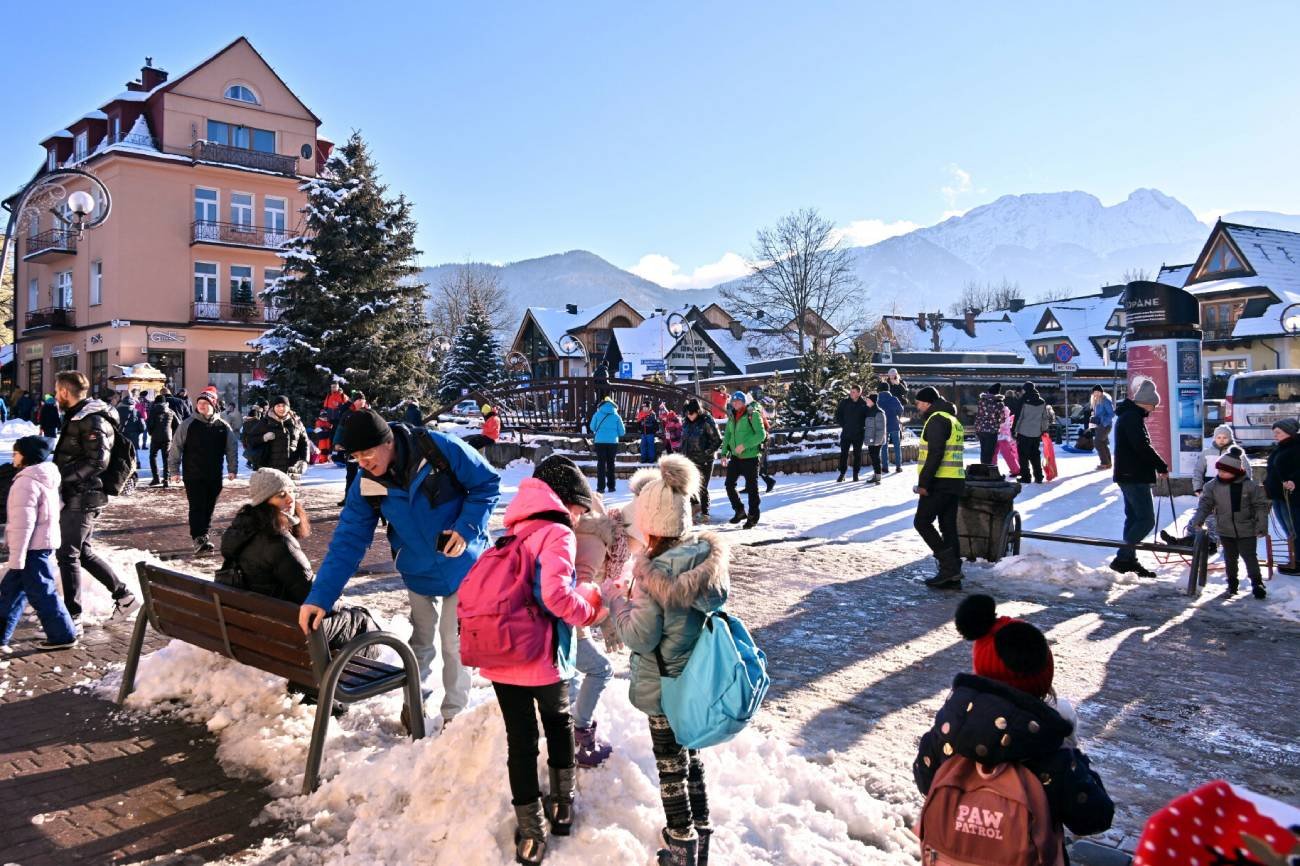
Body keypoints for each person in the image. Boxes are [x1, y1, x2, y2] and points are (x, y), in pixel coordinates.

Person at [299, 409, 501, 731]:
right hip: (417, 569)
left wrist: (466, 527)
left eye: (367, 454)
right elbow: (348, 541)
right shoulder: (366, 482)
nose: (363, 463)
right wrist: (320, 597)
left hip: (463, 565)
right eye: (356, 457)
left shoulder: (437, 448)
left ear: (388, 441)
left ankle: (454, 717)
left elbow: (487, 483)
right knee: (421, 641)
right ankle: (414, 708)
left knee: (453, 642)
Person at [914, 595, 1114, 863]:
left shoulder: (947, 733)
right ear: (1042, 683)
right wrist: (1077, 760)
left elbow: (925, 781)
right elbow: (1094, 817)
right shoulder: (1049, 752)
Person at [472, 459, 603, 865]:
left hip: (500, 653)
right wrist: (592, 611)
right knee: (558, 724)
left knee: (521, 742)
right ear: (565, 501)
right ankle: (562, 807)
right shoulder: (558, 532)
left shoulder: (512, 532)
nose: (580, 517)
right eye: (579, 508)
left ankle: (531, 833)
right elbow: (556, 599)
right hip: (541, 655)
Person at [608, 454, 728, 866]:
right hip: (694, 683)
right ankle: (702, 834)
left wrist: (616, 605)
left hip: (662, 685)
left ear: (651, 525)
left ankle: (681, 846)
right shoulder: (704, 563)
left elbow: (641, 635)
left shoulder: (651, 575)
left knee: (670, 769)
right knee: (692, 760)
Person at [220, 468, 379, 661]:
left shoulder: (241, 534)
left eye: (291, 491)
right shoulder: (278, 542)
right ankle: (364, 677)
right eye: (280, 495)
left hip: (253, 626)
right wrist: (345, 606)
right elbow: (310, 595)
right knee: (361, 621)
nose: (290, 499)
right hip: (286, 633)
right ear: (264, 502)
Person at [51, 372, 136, 621]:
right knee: (81, 552)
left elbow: (98, 460)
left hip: (84, 496)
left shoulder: (91, 419)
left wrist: (61, 477)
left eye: (57, 391)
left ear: (65, 392)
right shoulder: (79, 417)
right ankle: (124, 597)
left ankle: (72, 617)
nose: (56, 396)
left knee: (68, 555)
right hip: (80, 494)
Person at [571, 482, 631, 768]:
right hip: (566, 625)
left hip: (562, 623)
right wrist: (605, 618)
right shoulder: (595, 542)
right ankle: (581, 735)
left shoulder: (581, 532)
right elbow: (579, 593)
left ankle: (570, 726)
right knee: (601, 670)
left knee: (571, 675)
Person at [1, 437, 79, 650]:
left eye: (16, 453)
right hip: (39, 545)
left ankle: (63, 635)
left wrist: (17, 557)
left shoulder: (26, 482)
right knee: (10, 591)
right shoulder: (45, 477)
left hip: (31, 548)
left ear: (26, 456)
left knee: (42, 593)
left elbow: (23, 524)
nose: (12, 456)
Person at [1186, 448, 1270, 599]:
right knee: (1230, 558)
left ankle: (1257, 583)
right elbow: (1205, 505)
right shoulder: (1211, 486)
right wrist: (1198, 520)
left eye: (1226, 471)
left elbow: (1260, 506)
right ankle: (1232, 584)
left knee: (1249, 556)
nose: (1221, 474)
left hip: (1246, 528)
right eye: (1219, 471)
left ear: (1236, 472)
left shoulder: (1249, 486)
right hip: (1224, 528)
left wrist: (1261, 525)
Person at [1110, 379, 1169, 578]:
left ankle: (1128, 560)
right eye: (1154, 405)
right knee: (1145, 520)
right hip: (1133, 475)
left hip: (1128, 474)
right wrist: (1160, 464)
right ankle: (1123, 557)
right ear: (1147, 402)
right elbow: (1142, 446)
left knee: (1134, 519)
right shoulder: (1132, 418)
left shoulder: (1129, 416)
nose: (1153, 410)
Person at [168, 390, 239, 554]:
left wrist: (232, 469)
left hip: (214, 474)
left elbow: (231, 449)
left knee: (209, 507)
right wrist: (174, 471)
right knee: (197, 506)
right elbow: (176, 448)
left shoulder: (222, 426)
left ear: (213, 405)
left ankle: (204, 535)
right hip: (193, 474)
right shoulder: (187, 424)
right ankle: (198, 537)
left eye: (206, 404)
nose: (202, 406)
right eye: (200, 403)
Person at [913, 386, 966, 589]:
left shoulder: (936, 420)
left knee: (922, 522)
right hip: (954, 480)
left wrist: (924, 484)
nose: (917, 407)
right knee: (947, 526)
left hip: (939, 482)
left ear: (927, 402)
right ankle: (953, 572)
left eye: (918, 403)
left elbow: (935, 453)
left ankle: (949, 567)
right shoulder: (953, 420)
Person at [722, 390, 766, 529]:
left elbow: (761, 435)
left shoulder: (752, 414)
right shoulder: (732, 416)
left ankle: (753, 517)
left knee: (752, 488)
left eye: (738, 401)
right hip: (735, 457)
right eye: (733, 401)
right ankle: (739, 511)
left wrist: (744, 445)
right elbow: (728, 436)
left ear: (743, 402)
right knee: (729, 484)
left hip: (750, 457)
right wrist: (724, 453)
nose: (735, 403)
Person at [1264, 418, 1300, 575]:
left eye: (1278, 432)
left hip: (1292, 496)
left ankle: (1298, 562)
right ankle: (1294, 559)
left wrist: (1294, 480)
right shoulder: (1280, 448)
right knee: (1287, 530)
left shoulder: (1297, 448)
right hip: (1278, 495)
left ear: (1289, 432)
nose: (1275, 436)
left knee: (1295, 529)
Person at [679, 398, 721, 523]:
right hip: (690, 460)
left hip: (705, 461)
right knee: (689, 487)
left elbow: (717, 440)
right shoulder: (686, 422)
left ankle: (705, 512)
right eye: (687, 413)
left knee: (702, 487)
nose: (689, 415)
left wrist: (706, 453)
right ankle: (695, 508)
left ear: (698, 411)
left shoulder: (707, 421)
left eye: (691, 413)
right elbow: (684, 440)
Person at [249, 396, 309, 477]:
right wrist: (263, 438)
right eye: (278, 406)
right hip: (270, 471)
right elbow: (251, 440)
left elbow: (304, 443)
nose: (281, 409)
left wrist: (304, 460)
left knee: (289, 490)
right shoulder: (265, 422)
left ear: (288, 407)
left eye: (284, 406)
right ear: (273, 407)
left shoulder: (296, 422)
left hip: (291, 471)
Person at [1012, 381, 1054, 484]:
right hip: (1036, 433)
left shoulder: (1023, 400)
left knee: (1023, 456)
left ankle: (1026, 477)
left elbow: (1019, 417)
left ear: (1025, 389)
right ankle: (1039, 476)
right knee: (1035, 455)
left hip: (1023, 432)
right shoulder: (1042, 401)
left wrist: (1014, 430)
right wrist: (1044, 430)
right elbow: (1044, 418)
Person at [331, 392, 370, 504]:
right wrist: (337, 443)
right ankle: (348, 498)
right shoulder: (347, 414)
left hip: (367, 450)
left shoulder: (369, 413)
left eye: (363, 400)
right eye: (359, 400)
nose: (361, 402)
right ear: (354, 401)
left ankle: (369, 500)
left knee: (368, 475)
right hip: (351, 449)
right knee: (351, 474)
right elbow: (340, 430)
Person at [1194, 424, 1251, 496]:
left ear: (1230, 438)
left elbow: (1247, 470)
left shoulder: (1237, 453)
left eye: (1225, 437)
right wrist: (1198, 487)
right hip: (1210, 488)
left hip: (1231, 488)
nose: (1221, 440)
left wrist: (1246, 487)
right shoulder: (1206, 453)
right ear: (1214, 438)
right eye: (1219, 437)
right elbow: (1198, 470)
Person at [588, 395, 625, 495]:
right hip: (612, 442)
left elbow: (592, 427)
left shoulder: (597, 414)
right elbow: (622, 432)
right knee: (611, 464)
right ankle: (611, 487)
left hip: (599, 441)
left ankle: (600, 488)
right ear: (613, 405)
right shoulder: (617, 416)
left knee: (601, 464)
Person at [834, 384, 868, 483]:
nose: (851, 393)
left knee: (857, 454)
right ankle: (842, 474)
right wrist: (844, 425)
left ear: (859, 393)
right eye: (850, 391)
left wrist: (862, 426)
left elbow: (867, 417)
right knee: (843, 454)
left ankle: (855, 474)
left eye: (853, 392)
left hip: (858, 433)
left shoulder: (863, 403)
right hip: (846, 433)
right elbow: (838, 415)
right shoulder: (845, 402)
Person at [146, 394, 178, 487]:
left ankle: (156, 478)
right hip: (167, 438)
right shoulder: (171, 411)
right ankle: (166, 479)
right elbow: (178, 424)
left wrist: (151, 433)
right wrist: (171, 433)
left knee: (153, 457)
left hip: (155, 438)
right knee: (166, 458)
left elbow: (149, 424)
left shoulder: (153, 411)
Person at [974, 383, 1007, 466]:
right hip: (992, 431)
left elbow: (978, 415)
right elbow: (1002, 419)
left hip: (981, 429)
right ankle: (987, 470)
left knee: (983, 450)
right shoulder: (999, 403)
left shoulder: (982, 401)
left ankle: (982, 468)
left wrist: (977, 428)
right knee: (990, 452)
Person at [876, 384, 905, 472]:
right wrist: (897, 415)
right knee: (897, 446)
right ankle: (898, 466)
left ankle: (885, 467)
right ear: (888, 390)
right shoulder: (894, 399)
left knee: (884, 446)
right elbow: (900, 410)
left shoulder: (877, 400)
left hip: (882, 426)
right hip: (894, 424)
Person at [861, 392, 886, 484]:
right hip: (871, 439)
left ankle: (878, 476)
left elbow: (881, 429)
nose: (866, 401)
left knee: (875, 457)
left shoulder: (879, 412)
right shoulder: (869, 411)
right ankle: (876, 474)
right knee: (873, 457)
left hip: (876, 440)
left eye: (868, 400)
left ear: (873, 401)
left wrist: (878, 441)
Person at [1090, 385, 1116, 470]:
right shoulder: (1096, 401)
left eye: (1098, 392)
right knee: (1103, 443)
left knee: (1097, 442)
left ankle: (1104, 462)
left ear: (1101, 392)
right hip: (1100, 425)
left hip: (1105, 425)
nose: (1096, 394)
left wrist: (1102, 420)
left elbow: (1111, 414)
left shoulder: (1105, 400)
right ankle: (1108, 463)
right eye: (1094, 392)